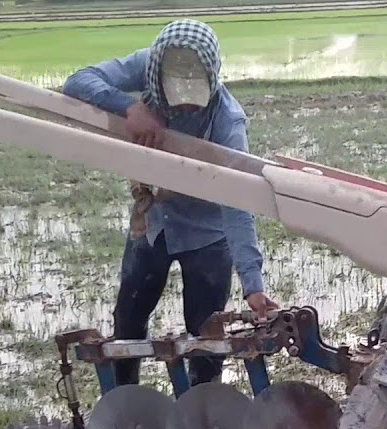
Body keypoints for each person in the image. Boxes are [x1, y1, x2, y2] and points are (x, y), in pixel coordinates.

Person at [60, 19, 278, 387]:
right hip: (153, 225)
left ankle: (202, 414)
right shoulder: (147, 65)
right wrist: (129, 107)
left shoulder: (228, 123)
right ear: (157, 75)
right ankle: (124, 404)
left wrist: (253, 285)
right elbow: (78, 81)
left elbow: (237, 205)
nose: (187, 107)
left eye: (196, 97)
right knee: (128, 323)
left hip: (207, 237)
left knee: (207, 336)